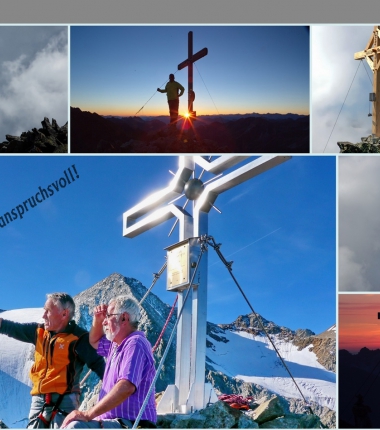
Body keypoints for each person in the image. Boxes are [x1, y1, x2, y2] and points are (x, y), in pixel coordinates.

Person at [0, 292, 105, 428]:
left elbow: (101, 368)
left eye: (48, 311)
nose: (43, 315)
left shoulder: (79, 338)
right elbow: (10, 327)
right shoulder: (38, 332)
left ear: (64, 314)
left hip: (65, 401)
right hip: (38, 401)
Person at [61, 295, 156, 429]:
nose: (104, 322)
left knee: (75, 427)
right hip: (115, 422)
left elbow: (126, 386)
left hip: (131, 422)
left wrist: (88, 414)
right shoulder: (116, 345)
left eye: (108, 316)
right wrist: (97, 319)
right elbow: (93, 341)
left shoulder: (135, 343)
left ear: (124, 318)